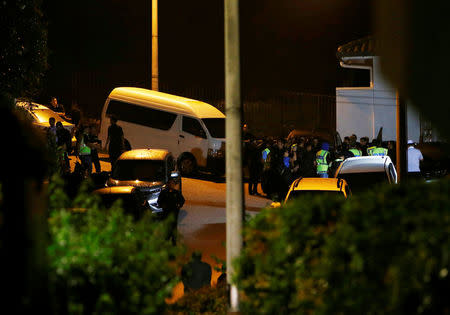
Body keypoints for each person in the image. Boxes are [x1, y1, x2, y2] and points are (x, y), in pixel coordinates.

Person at [157, 179, 185, 245]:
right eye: (170, 184)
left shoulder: (176, 193)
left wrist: (179, 205)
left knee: (173, 226)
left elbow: (182, 200)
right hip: (166, 213)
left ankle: (173, 240)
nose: (171, 185)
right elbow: (159, 201)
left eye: (172, 184)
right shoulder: (164, 193)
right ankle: (166, 239)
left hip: (174, 212)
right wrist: (162, 205)